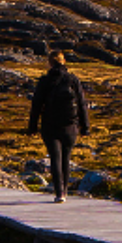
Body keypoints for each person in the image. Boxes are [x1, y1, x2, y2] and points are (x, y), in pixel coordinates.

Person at [26, 51, 89, 203]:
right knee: (66, 158)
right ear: (64, 61)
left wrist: (32, 127)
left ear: (49, 63)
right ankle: (65, 191)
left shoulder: (45, 81)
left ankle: (59, 192)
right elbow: (82, 104)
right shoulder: (73, 80)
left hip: (50, 125)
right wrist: (85, 126)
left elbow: (37, 105)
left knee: (55, 158)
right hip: (70, 125)